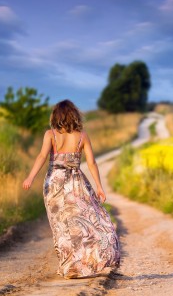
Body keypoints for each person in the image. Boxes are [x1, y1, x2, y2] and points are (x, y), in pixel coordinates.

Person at [22, 99, 120, 278]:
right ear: (74, 115)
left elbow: (42, 156)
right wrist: (99, 187)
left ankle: (69, 267)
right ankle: (86, 262)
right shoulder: (82, 136)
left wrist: (30, 177)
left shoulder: (50, 135)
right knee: (86, 223)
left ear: (56, 116)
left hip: (54, 184)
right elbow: (91, 162)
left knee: (61, 226)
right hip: (76, 183)